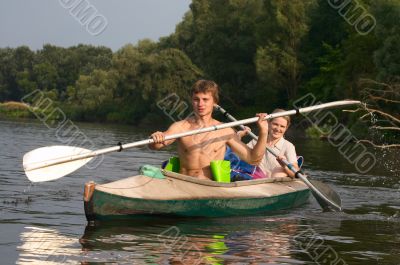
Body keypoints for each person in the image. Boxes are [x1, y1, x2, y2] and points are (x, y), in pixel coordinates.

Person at [149, 80, 268, 180]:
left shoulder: (225, 130)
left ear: (214, 103)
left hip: (209, 185)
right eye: (196, 99)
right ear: (192, 101)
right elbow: (156, 146)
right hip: (183, 182)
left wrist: (263, 132)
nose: (200, 104)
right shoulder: (180, 127)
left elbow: (253, 159)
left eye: (205, 99)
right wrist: (156, 138)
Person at [238, 109, 299, 178]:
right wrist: (239, 136)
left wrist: (284, 166)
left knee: (279, 173)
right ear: (269, 123)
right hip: (254, 180)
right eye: (275, 124)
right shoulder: (256, 140)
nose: (278, 129)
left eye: (282, 126)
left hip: (274, 184)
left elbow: (296, 173)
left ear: (286, 128)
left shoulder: (288, 146)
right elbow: (239, 155)